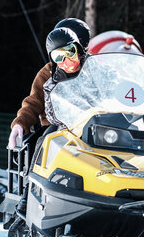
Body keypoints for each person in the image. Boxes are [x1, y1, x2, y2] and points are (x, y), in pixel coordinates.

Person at [8, 19, 91, 149]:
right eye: (59, 55)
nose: (66, 60)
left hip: (90, 124)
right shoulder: (49, 73)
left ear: (80, 47)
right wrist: (20, 123)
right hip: (56, 126)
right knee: (46, 144)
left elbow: (112, 84)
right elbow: (34, 102)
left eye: (70, 51)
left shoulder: (93, 67)